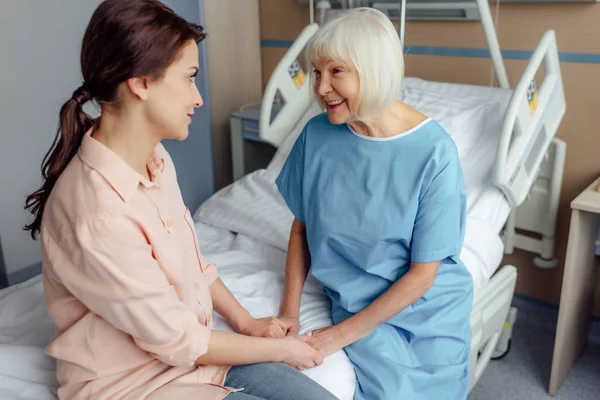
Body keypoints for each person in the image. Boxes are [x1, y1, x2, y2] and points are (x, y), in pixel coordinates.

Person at [24, 1, 338, 399]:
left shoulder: (154, 159)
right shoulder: (97, 212)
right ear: (140, 83)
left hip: (198, 360)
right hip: (138, 385)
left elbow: (193, 264)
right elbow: (179, 340)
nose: (198, 98)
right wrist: (283, 349)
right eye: (189, 78)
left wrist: (245, 322)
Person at [276, 7, 472, 400]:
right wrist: (289, 313)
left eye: (336, 72)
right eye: (317, 72)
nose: (320, 89)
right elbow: (302, 228)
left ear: (374, 69)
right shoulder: (316, 136)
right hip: (356, 301)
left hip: (427, 309)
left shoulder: (434, 153)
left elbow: (422, 276)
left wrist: (338, 336)